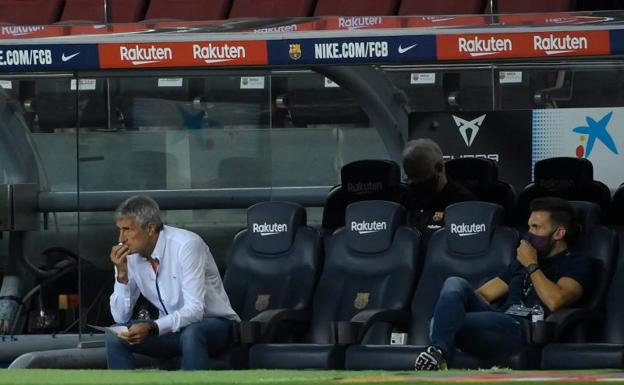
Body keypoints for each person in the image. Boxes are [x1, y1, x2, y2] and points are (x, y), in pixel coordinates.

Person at [414, 196, 593, 370]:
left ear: (559, 233)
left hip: (522, 328)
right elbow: (484, 294)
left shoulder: (576, 262)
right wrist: (453, 310)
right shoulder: (521, 261)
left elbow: (556, 300)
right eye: (529, 226)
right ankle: (438, 352)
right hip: (499, 317)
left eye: (536, 227)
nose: (529, 233)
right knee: (455, 283)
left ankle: (439, 348)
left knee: (447, 323)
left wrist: (531, 265)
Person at [106, 195, 240, 370]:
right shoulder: (128, 255)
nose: (121, 238)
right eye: (119, 230)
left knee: (192, 333)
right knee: (116, 335)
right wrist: (122, 276)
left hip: (214, 325)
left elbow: (194, 311)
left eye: (127, 229)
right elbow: (120, 317)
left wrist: (153, 326)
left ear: (150, 228)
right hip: (170, 330)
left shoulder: (186, 245)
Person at [402, 138, 476, 243]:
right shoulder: (405, 199)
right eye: (410, 177)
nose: (416, 184)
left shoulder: (464, 203)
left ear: (439, 169)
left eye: (421, 176)